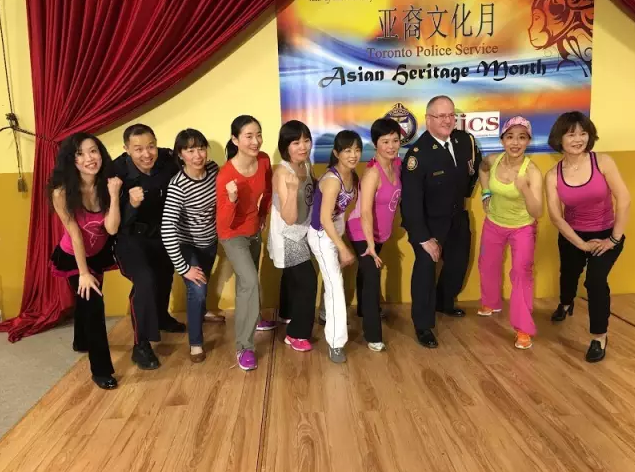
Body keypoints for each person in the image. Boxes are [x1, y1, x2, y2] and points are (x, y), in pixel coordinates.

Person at [545, 112, 630, 362]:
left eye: (583, 133)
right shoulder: (553, 175)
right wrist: (581, 244)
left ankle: (599, 337)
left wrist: (613, 239)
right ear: (560, 138)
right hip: (573, 234)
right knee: (569, 274)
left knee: (595, 281)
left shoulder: (602, 161)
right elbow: (556, 217)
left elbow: (624, 199)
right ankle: (566, 303)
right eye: (571, 134)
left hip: (607, 235)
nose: (578, 139)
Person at [400, 95, 482, 348]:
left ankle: (444, 303)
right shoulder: (417, 155)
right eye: (441, 116)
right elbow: (411, 202)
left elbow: (473, 169)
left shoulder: (463, 140)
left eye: (450, 115)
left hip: (457, 217)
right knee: (425, 270)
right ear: (428, 120)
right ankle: (423, 325)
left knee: (457, 264)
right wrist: (423, 238)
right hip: (429, 224)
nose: (447, 121)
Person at [48, 133, 121, 390]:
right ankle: (101, 370)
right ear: (72, 160)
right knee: (93, 303)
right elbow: (75, 234)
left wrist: (114, 196)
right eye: (80, 154)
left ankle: (81, 341)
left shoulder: (107, 184)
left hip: (98, 253)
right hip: (73, 257)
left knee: (85, 300)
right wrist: (83, 273)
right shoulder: (61, 192)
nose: (89, 158)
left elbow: (111, 229)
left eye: (93, 151)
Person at [113, 124, 185, 371]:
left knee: (165, 275)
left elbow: (191, 160)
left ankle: (162, 317)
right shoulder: (117, 172)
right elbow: (112, 221)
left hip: (161, 234)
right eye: (138, 149)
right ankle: (140, 344)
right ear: (127, 149)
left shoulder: (167, 159)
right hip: (129, 237)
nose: (147, 154)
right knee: (144, 281)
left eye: (151, 146)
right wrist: (131, 205)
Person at [477, 116, 543, 349]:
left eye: (522, 137)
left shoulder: (532, 172)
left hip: (522, 227)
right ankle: (491, 302)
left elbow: (537, 211)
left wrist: (524, 188)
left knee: (521, 274)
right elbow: (482, 169)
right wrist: (486, 192)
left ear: (528, 141)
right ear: (502, 139)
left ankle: (523, 329)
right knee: (487, 264)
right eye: (510, 137)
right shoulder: (493, 160)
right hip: (494, 222)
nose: (515, 143)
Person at [216, 115, 274, 371]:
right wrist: (231, 199)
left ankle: (255, 318)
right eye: (249, 136)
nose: (255, 141)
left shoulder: (264, 160)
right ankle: (244, 346)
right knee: (249, 281)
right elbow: (224, 222)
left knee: (248, 281)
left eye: (258, 134)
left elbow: (268, 190)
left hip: (253, 231)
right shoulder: (226, 175)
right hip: (232, 234)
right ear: (235, 140)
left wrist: (262, 214)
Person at [161, 129, 219, 363]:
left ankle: (202, 312)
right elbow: (167, 230)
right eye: (190, 150)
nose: (198, 155)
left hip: (210, 241)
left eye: (201, 148)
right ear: (180, 154)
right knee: (197, 288)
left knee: (204, 283)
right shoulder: (178, 186)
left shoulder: (213, 170)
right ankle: (196, 343)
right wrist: (183, 268)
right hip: (187, 245)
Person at [345, 118, 402, 352]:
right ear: (375, 143)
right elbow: (366, 212)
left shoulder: (396, 164)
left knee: (366, 273)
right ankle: (373, 335)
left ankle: (362, 310)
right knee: (371, 278)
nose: (391, 146)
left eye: (395, 140)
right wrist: (369, 244)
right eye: (385, 141)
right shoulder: (372, 174)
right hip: (362, 232)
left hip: (380, 234)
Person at [308, 130, 360, 363]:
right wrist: (342, 248)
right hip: (322, 234)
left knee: (332, 280)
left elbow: (340, 214)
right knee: (336, 286)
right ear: (337, 153)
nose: (353, 155)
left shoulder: (352, 175)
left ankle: (324, 313)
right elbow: (324, 219)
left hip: (335, 229)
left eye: (357, 149)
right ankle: (336, 343)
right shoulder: (332, 180)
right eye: (347, 150)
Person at [268, 120, 318, 352]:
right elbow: (289, 218)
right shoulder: (283, 173)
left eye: (306, 140)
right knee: (307, 281)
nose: (303, 146)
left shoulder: (305, 164)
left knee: (292, 277)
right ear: (285, 146)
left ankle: (287, 313)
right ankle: (296, 334)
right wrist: (291, 189)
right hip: (288, 235)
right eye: (296, 142)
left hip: (304, 231)